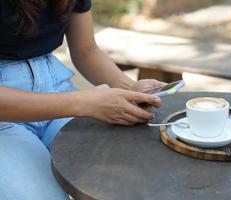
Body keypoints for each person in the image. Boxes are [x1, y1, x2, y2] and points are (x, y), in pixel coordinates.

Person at [0, 0, 165, 199]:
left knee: (131, 178)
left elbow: (86, 50)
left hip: (56, 88)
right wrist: (84, 103)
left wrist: (130, 88)